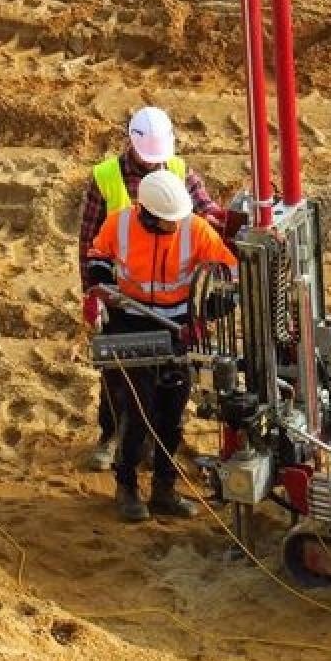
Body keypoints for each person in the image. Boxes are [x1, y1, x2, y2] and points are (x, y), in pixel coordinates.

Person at [85, 169, 237, 522]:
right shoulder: (119, 225)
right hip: (131, 325)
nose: (175, 226)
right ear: (147, 215)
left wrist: (208, 310)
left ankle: (165, 489)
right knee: (139, 413)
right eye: (168, 222)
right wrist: (103, 286)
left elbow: (228, 271)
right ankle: (127, 487)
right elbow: (97, 258)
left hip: (178, 328)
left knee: (171, 416)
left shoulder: (195, 228)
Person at [78, 106, 223, 471]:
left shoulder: (177, 169)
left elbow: (204, 209)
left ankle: (153, 446)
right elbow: (89, 242)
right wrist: (92, 292)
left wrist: (215, 218)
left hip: (172, 307)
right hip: (125, 301)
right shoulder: (107, 178)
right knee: (118, 377)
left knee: (167, 384)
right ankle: (111, 434)